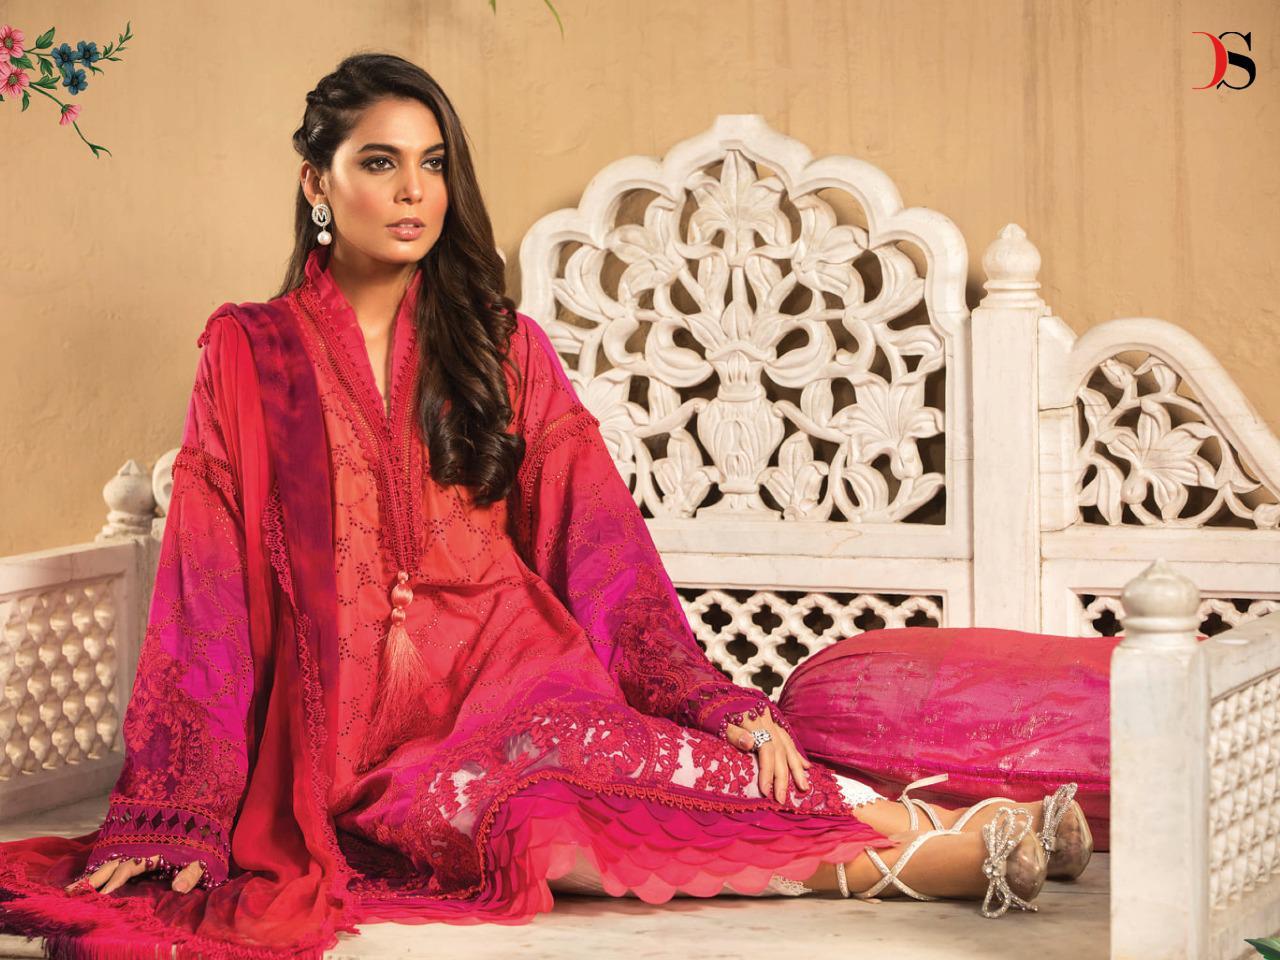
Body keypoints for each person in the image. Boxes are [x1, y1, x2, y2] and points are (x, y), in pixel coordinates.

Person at [0, 53, 1092, 959]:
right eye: (379, 163)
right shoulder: (249, 350)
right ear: (316, 184)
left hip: (517, 688)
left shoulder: (498, 346)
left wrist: (708, 698)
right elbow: (205, 588)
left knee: (668, 770)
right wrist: (180, 802)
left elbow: (597, 546)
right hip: (356, 755)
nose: (413, 191)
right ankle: (949, 852)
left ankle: (950, 832)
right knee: (543, 826)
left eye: (432, 164)